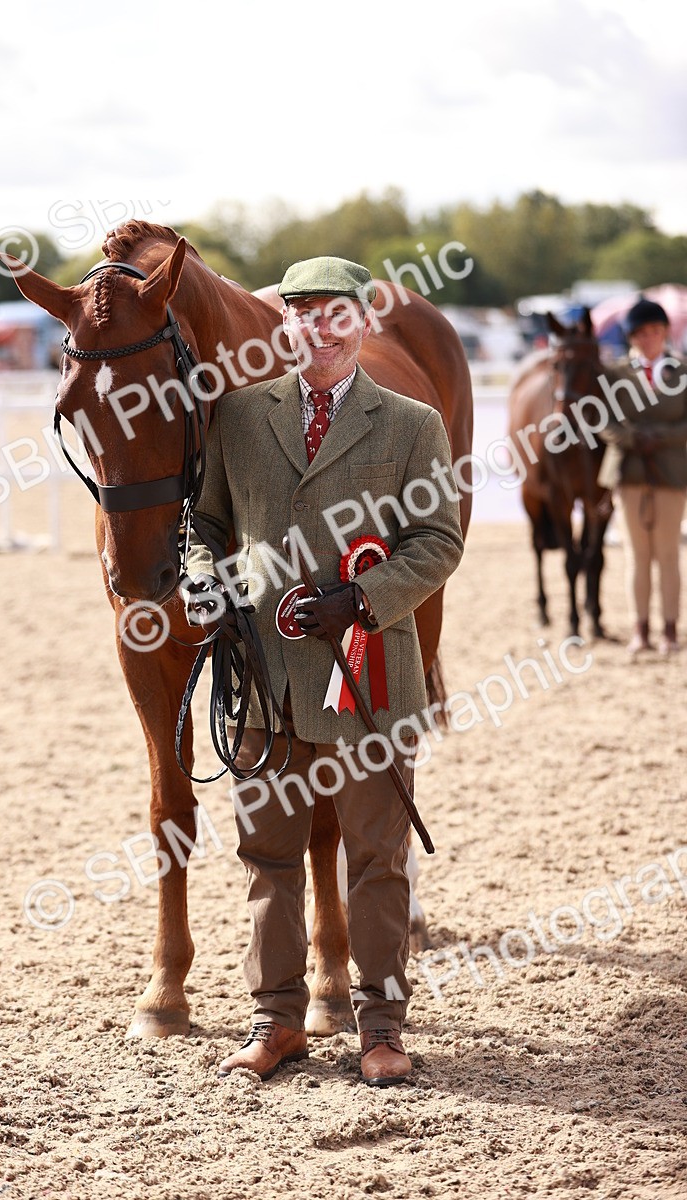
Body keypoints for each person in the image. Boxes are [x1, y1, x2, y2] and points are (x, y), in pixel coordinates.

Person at [182, 256, 464, 1086]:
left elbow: (439, 542)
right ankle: (276, 1021)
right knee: (267, 857)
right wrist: (202, 579)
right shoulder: (235, 416)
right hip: (263, 684)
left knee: (375, 862)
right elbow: (205, 522)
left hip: (369, 681)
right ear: (288, 329)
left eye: (338, 314)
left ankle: (381, 1028)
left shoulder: (413, 423)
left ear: (362, 324)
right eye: (305, 314)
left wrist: (362, 601)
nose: (323, 329)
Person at [598, 297, 687, 657]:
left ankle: (669, 629)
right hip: (629, 471)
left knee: (667, 553)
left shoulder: (682, 372)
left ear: (665, 332)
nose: (648, 338)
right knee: (636, 554)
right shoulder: (615, 373)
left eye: (654, 331)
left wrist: (660, 438)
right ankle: (640, 630)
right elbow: (602, 419)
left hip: (671, 472)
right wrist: (633, 438)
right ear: (632, 337)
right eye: (641, 333)